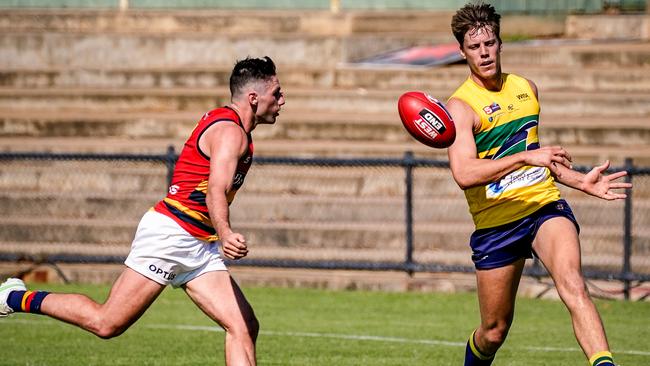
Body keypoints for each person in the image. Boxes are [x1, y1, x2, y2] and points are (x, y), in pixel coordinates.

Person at [0, 56, 284, 366]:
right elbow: (215, 190)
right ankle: (15, 297)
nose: (283, 100)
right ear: (254, 98)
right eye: (277, 93)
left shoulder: (238, 130)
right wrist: (226, 233)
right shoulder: (231, 132)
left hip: (199, 244)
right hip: (171, 235)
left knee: (243, 326)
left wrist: (218, 235)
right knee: (106, 323)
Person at [445, 3, 631, 366]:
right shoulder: (460, 107)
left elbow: (539, 158)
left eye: (491, 44)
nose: (484, 53)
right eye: (475, 47)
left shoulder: (525, 88)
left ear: (500, 44)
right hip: (496, 222)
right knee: (494, 330)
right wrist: (525, 158)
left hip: (543, 205)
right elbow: (465, 173)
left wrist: (581, 180)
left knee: (574, 285)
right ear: (462, 51)